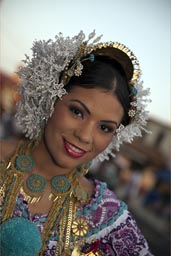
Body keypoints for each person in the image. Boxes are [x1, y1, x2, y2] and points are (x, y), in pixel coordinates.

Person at [0, 30, 152, 256]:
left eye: (105, 128)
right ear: (50, 97)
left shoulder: (107, 217)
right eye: (77, 112)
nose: (85, 136)